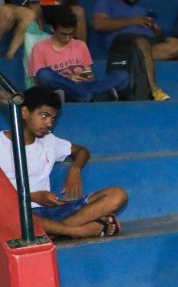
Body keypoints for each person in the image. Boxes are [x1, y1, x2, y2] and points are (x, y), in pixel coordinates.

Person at [0, 87, 127, 239]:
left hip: (50, 213)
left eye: (53, 118)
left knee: (117, 195)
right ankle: (76, 231)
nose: (49, 124)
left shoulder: (49, 141)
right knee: (13, 218)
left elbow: (82, 151)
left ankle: (55, 232)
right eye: (44, 116)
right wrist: (32, 197)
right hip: (17, 213)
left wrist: (75, 169)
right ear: (25, 112)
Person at [92, 0, 178, 101]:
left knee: (177, 44)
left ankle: (140, 59)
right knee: (141, 42)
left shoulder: (141, 9)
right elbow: (99, 24)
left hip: (144, 45)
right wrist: (132, 21)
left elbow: (161, 36)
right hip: (122, 45)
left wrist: (154, 28)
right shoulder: (106, 3)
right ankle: (155, 90)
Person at [27, 9, 129, 102]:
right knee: (44, 74)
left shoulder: (80, 45)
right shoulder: (40, 47)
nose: (67, 38)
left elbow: (89, 74)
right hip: (60, 88)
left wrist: (82, 77)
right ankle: (97, 94)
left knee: (122, 76)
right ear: (52, 29)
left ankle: (83, 94)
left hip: (82, 85)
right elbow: (39, 81)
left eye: (71, 34)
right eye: (63, 34)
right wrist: (69, 79)